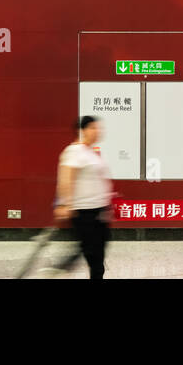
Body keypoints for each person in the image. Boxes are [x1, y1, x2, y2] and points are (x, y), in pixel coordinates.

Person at [52, 116, 114, 279]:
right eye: (93, 128)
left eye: (98, 128)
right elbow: (66, 178)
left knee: (96, 253)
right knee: (92, 255)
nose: (97, 131)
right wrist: (65, 204)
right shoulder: (74, 151)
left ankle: (64, 266)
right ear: (82, 130)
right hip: (84, 212)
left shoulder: (91, 152)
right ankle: (60, 268)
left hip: (99, 210)